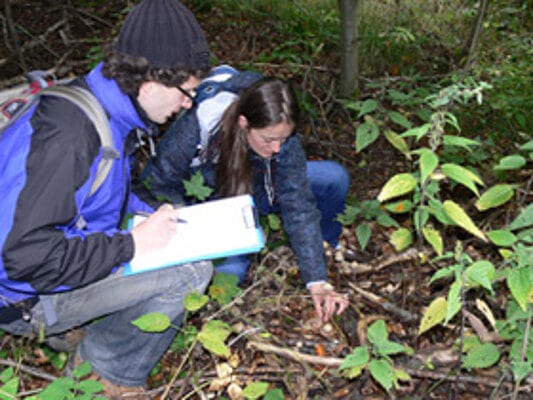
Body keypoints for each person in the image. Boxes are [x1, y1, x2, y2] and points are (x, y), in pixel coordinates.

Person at [0, 0, 213, 398]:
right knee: (192, 270)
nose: (188, 105)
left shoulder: (104, 109)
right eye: (187, 92)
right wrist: (132, 244)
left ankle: (77, 328)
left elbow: (99, 190)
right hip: (20, 298)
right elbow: (22, 258)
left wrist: (151, 213)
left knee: (176, 235)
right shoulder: (70, 138)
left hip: (47, 269)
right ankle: (103, 369)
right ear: (151, 78)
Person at [139, 67, 350, 323]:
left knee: (333, 178)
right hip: (216, 205)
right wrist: (185, 219)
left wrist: (316, 279)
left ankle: (326, 245)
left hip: (262, 188)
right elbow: (156, 181)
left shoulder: (281, 135)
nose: (276, 148)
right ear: (243, 123)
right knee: (231, 274)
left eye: (283, 139)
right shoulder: (199, 126)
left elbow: (298, 204)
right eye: (268, 139)